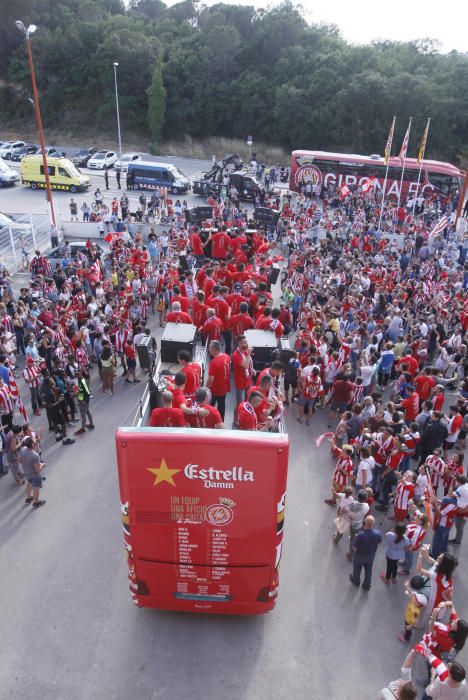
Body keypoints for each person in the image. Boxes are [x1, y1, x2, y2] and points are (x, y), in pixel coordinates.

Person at [349, 514, 382, 591]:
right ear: (373, 524)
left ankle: (356, 581)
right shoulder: (378, 533)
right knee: (369, 570)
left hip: (360, 556)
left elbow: (354, 547)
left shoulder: (360, 535)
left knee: (357, 569)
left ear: (365, 523)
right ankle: (367, 586)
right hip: (371, 555)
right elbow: (379, 542)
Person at [19, 436, 46, 508]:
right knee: (36, 488)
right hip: (35, 475)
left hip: (27, 472)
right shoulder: (35, 455)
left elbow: (20, 461)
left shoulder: (22, 449)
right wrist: (42, 465)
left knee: (29, 483)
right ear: (32, 445)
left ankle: (28, 498)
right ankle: (36, 502)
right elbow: (37, 470)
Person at [206, 340, 230, 420]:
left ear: (214, 349)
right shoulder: (226, 356)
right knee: (222, 405)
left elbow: (211, 380)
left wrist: (206, 388)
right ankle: (221, 420)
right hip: (225, 387)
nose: (209, 350)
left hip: (216, 389)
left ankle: (210, 420)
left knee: (210, 405)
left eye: (210, 348)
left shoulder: (213, 362)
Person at [74, 369, 95, 436]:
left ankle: (82, 428)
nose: (76, 375)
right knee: (87, 412)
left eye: (77, 373)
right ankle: (91, 424)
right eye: (76, 373)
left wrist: (83, 401)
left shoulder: (83, 381)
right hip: (83, 399)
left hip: (84, 400)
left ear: (80, 372)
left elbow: (88, 391)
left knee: (83, 415)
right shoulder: (80, 379)